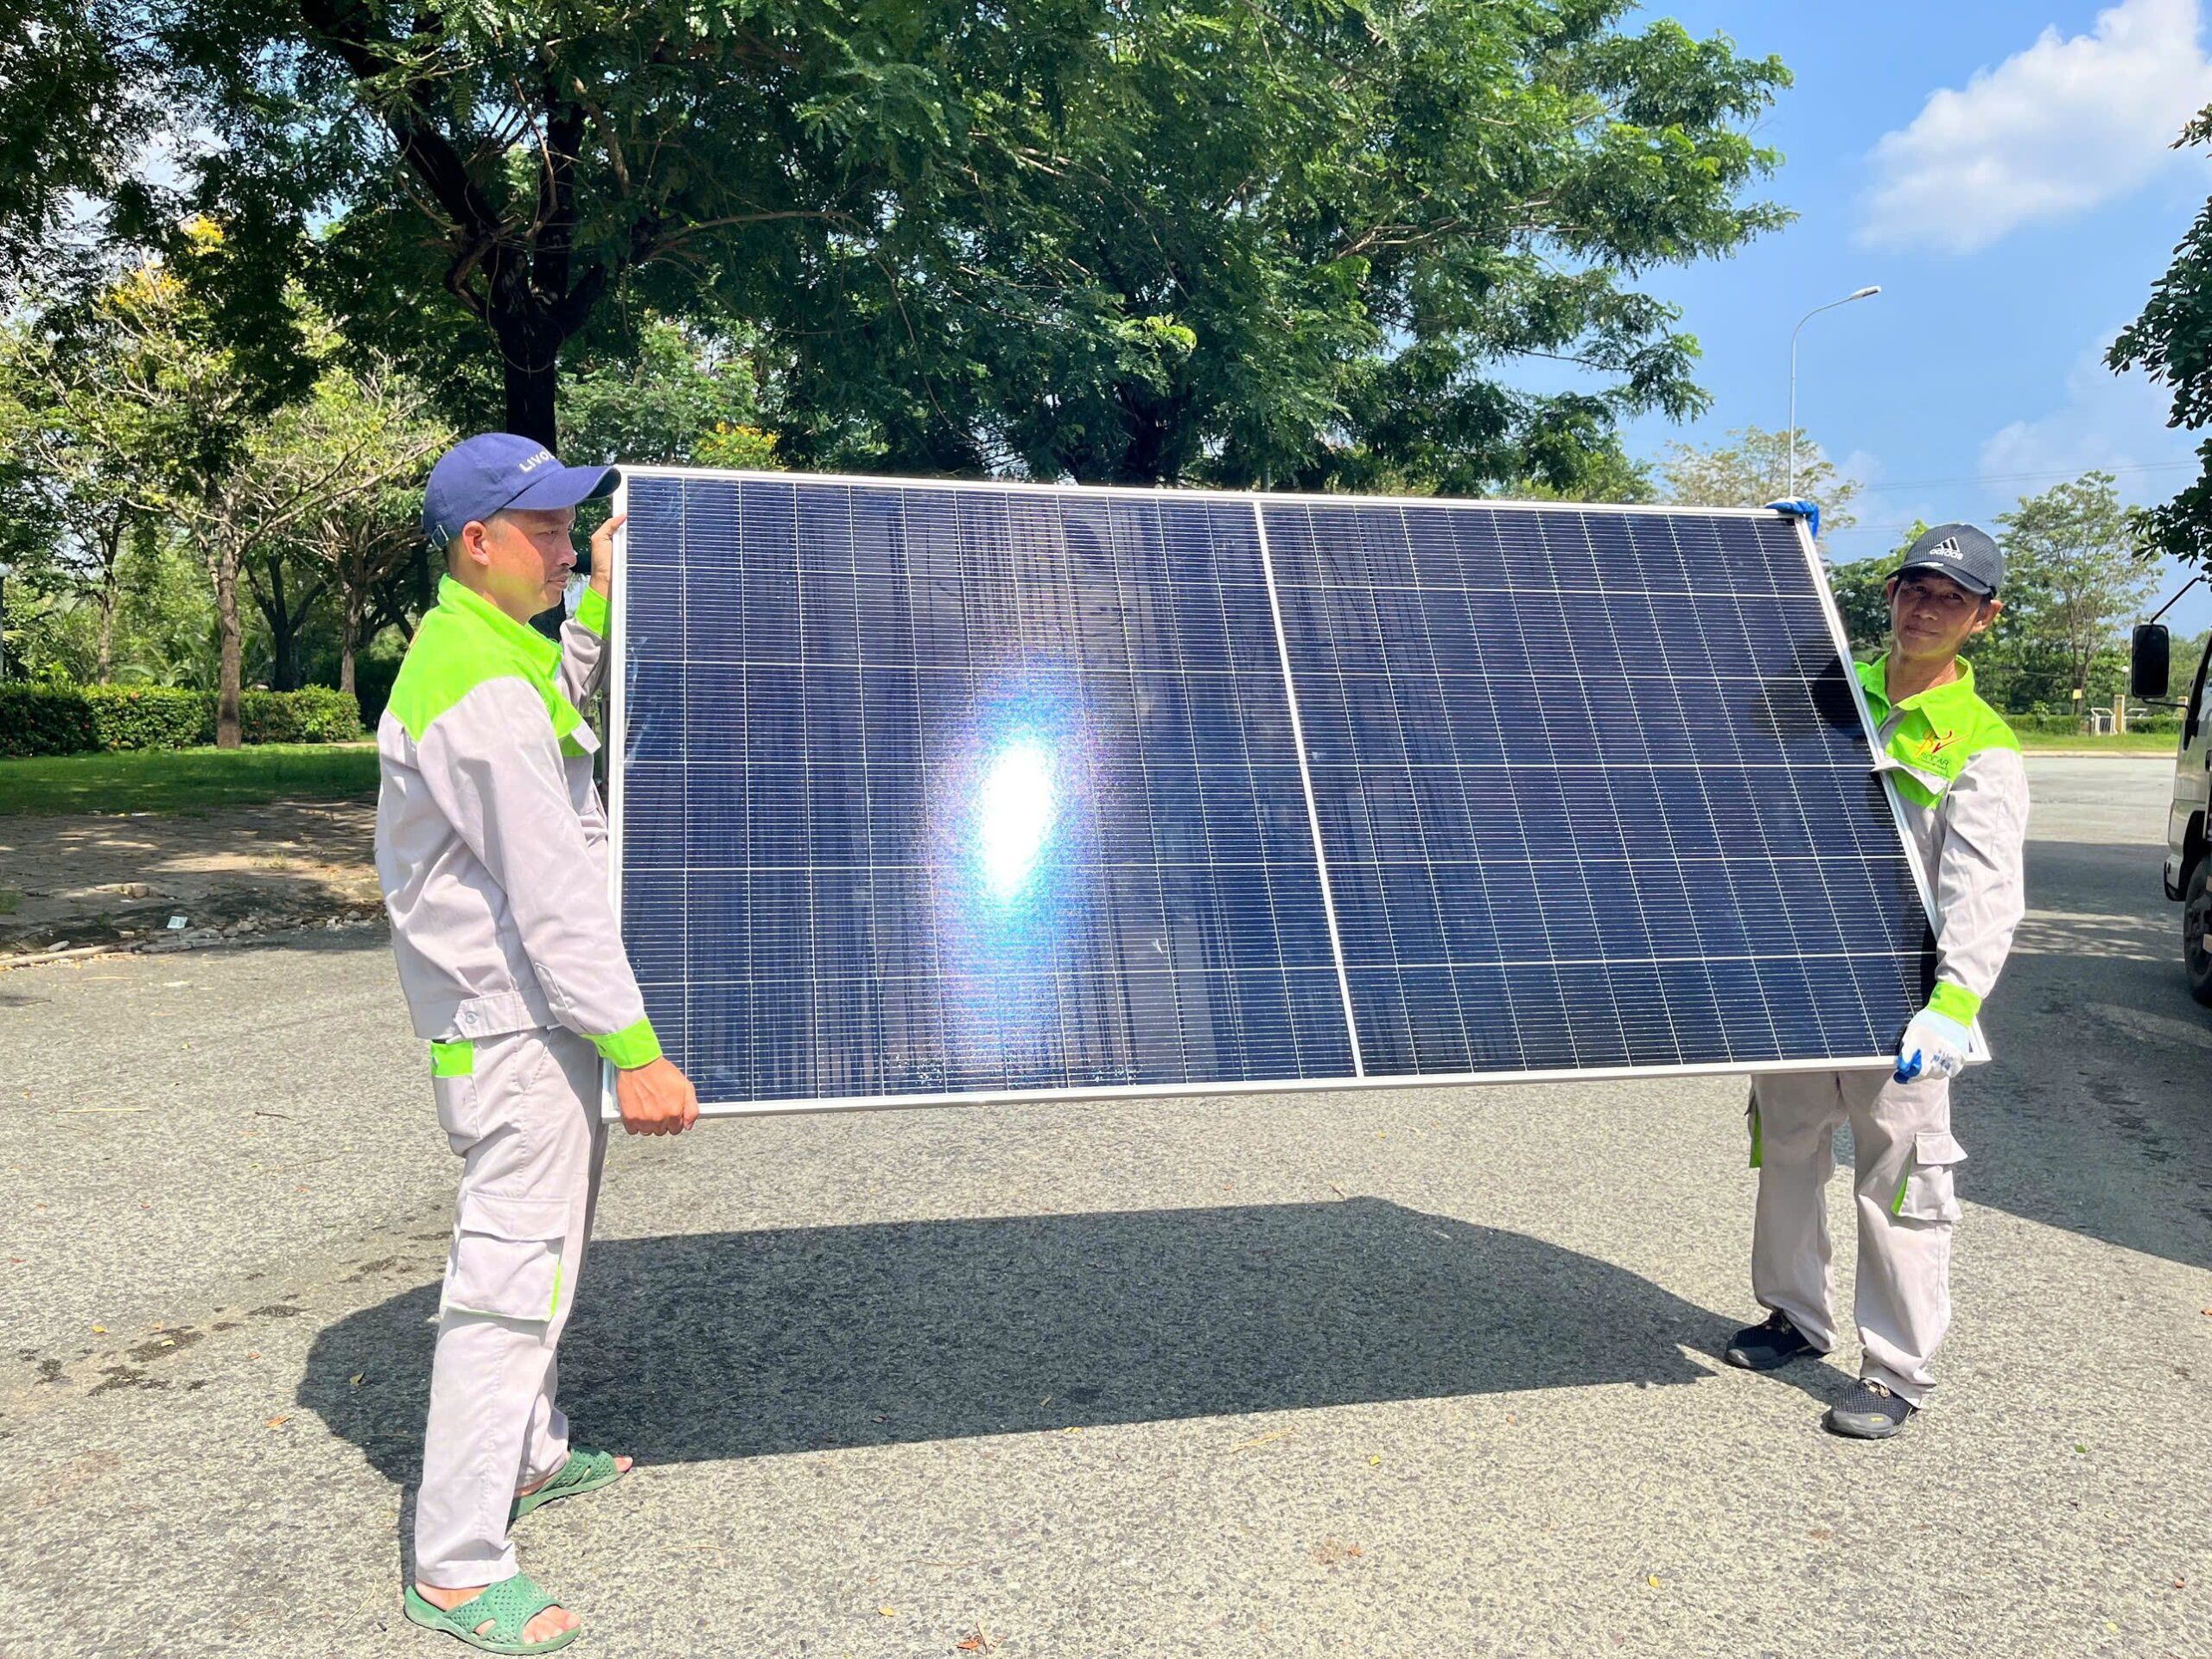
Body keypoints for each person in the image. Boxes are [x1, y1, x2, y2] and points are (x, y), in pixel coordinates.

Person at [377, 432, 699, 1652]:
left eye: (570, 526)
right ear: (478, 543)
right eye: (548, 530)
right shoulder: (481, 694)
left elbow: (554, 696)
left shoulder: (488, 651)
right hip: (515, 1030)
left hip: (527, 1022)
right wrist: (638, 1052)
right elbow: (555, 894)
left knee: (545, 1259)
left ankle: (531, 1456)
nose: (565, 546)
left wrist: (599, 599)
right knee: (509, 1286)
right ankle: (458, 1565)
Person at [1724, 522, 2027, 1440]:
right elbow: (1721, 707)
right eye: (1915, 589)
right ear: (1890, 595)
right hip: (1798, 976)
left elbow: (1985, 895)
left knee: (1901, 1179)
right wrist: (1766, 561)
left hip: (1902, 1002)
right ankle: (1794, 1315)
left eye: (1951, 599)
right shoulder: (1831, 694)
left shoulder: (1981, 746)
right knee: (1786, 1146)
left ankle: (1895, 1370)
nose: (1926, 609)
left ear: (1983, 618)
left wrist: (1952, 1008)